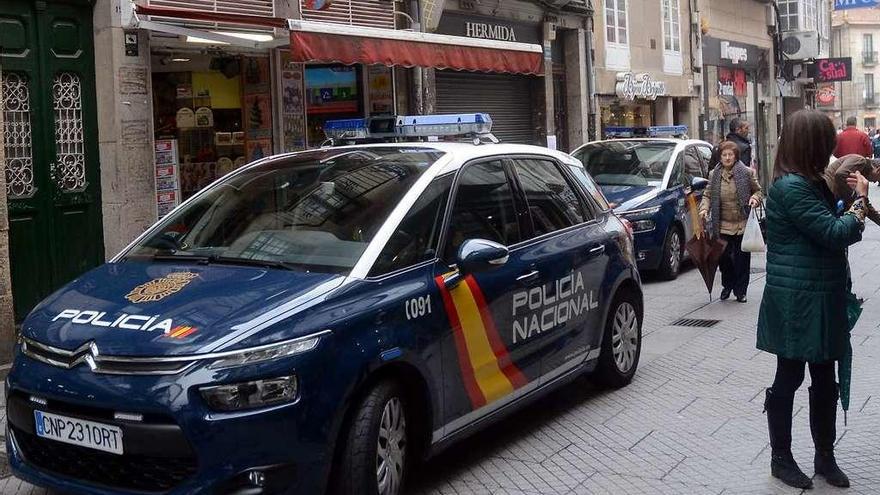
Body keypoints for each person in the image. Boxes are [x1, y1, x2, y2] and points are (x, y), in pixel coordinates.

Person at [757, 109, 869, 490]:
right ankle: (781, 459)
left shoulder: (813, 181)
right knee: (788, 376)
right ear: (812, 145)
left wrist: (851, 192)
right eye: (827, 143)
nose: (832, 151)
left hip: (821, 295)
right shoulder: (791, 188)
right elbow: (835, 233)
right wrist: (861, 203)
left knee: (824, 378)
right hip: (795, 300)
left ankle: (825, 456)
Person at [699, 140, 763, 303]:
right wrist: (704, 209)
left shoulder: (746, 172)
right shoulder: (714, 174)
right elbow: (707, 194)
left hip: (742, 223)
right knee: (724, 258)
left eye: (730, 155)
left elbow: (758, 190)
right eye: (724, 155)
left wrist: (755, 199)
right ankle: (727, 286)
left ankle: (741, 291)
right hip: (722, 224)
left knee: (742, 259)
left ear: (736, 156)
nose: (727, 158)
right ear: (720, 157)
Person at [826, 154, 880, 225]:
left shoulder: (861, 172)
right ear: (878, 170)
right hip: (826, 194)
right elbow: (840, 174)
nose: (875, 182)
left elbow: (864, 204)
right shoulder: (860, 160)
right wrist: (852, 197)